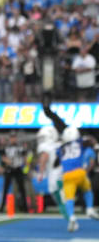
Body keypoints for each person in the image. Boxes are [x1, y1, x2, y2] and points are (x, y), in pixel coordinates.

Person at [41, 94, 99, 232]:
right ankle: (90, 209)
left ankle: (72, 218)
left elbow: (56, 161)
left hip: (67, 175)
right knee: (87, 189)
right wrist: (96, 147)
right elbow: (90, 141)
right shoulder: (80, 142)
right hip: (79, 172)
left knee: (68, 199)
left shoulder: (61, 148)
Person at [36, 126, 67, 219]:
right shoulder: (60, 144)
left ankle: (66, 213)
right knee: (62, 193)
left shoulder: (46, 146)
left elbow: (44, 158)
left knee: (55, 192)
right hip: (64, 171)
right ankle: (67, 208)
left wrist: (40, 173)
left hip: (55, 172)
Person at [0, 131, 28, 213]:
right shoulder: (6, 147)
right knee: (5, 189)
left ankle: (25, 207)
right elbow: (3, 157)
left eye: (14, 137)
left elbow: (25, 157)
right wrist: (7, 162)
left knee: (22, 189)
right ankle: (2, 207)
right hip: (9, 169)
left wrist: (25, 167)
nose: (13, 139)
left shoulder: (20, 147)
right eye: (12, 137)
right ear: (10, 138)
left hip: (18, 168)